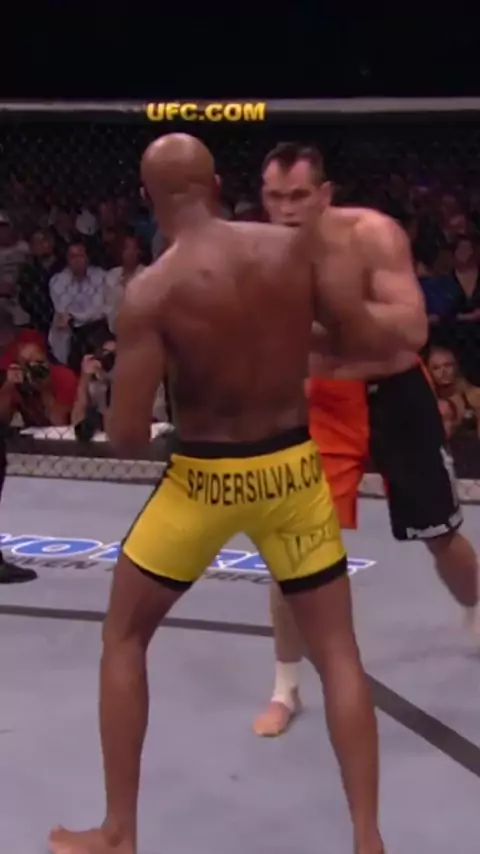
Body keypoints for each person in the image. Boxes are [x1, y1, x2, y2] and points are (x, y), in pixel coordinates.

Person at [48, 133, 428, 854]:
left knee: (123, 636)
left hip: (204, 480)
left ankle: (119, 831)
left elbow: (125, 435)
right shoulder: (291, 251)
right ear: (218, 184)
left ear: (147, 199)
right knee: (339, 654)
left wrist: (174, 375)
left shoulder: (152, 291)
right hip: (292, 470)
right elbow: (363, 337)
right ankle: (368, 839)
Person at [253, 142, 480, 738]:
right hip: (321, 401)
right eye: (275, 196)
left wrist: (331, 313)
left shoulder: (372, 236)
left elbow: (411, 327)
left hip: (396, 392)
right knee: (292, 547)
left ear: (325, 194)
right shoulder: (254, 253)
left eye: (299, 195)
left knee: (442, 537)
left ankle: (475, 609)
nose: (286, 209)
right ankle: (285, 686)